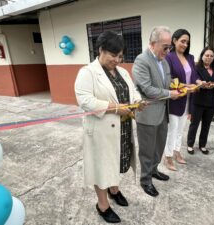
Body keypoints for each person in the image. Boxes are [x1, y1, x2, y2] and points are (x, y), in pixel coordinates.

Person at [75, 31, 145, 223]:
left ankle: (114, 190)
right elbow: (85, 100)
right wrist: (114, 108)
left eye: (120, 56)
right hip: (101, 131)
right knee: (101, 167)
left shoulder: (122, 72)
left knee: (117, 162)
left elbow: (132, 90)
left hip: (123, 129)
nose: (117, 60)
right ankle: (102, 205)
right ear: (101, 50)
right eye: (113, 55)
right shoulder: (87, 72)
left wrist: (138, 101)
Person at [132, 26, 180, 197]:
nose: (168, 51)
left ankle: (153, 170)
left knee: (159, 146)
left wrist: (179, 87)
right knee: (147, 150)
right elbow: (147, 89)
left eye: (170, 48)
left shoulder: (164, 61)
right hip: (147, 114)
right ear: (153, 44)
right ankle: (145, 180)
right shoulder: (141, 60)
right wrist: (169, 93)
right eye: (165, 47)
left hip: (162, 114)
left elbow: (166, 83)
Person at [164, 29, 201, 171]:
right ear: (174, 40)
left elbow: (194, 75)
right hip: (175, 99)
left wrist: (198, 82)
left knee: (181, 129)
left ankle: (177, 151)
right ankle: (167, 157)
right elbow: (169, 79)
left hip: (188, 99)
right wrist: (186, 86)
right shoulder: (169, 57)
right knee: (172, 130)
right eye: (182, 41)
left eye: (187, 42)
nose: (185, 44)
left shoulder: (190, 57)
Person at [187, 46, 214, 155]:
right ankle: (190, 145)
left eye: (211, 56)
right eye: (207, 55)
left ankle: (202, 145)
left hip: (211, 102)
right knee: (194, 124)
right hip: (198, 101)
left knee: (206, 125)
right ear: (202, 56)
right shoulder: (196, 68)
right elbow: (193, 82)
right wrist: (201, 84)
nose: (209, 57)